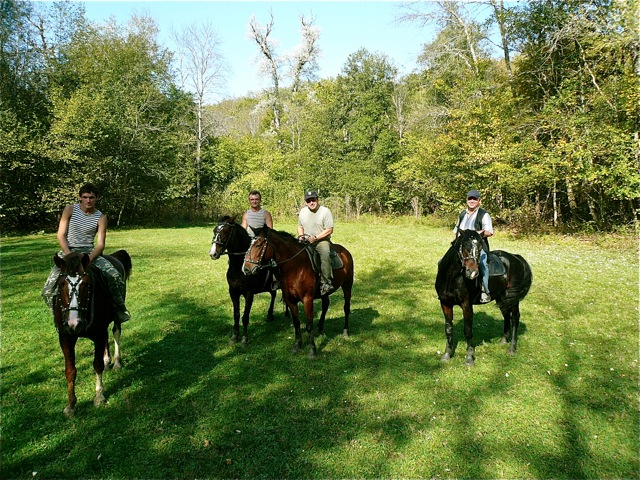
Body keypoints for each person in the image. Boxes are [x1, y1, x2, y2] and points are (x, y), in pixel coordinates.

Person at [42, 183, 130, 322]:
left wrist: (88, 259)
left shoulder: (101, 217)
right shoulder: (70, 210)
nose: (88, 201)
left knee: (115, 277)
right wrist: (68, 256)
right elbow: (61, 235)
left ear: (97, 198)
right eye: (85, 197)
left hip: (89, 253)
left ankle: (119, 310)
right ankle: (58, 316)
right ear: (80, 198)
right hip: (68, 252)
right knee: (47, 290)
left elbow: (100, 245)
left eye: (91, 197)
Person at [453, 189, 494, 303]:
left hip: (477, 247)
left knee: (483, 265)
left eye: (474, 199)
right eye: (469, 199)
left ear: (479, 201)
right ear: (467, 200)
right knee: (443, 261)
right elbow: (456, 231)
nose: (471, 201)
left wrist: (477, 234)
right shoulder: (462, 214)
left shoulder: (484, 214)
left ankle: (484, 291)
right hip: (462, 247)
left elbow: (489, 232)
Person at [298, 190, 334, 296]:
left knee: (325, 254)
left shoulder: (325, 211)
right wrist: (301, 236)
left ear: (317, 200)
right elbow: (300, 226)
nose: (311, 203)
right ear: (305, 202)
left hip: (321, 240)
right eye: (309, 201)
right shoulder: (303, 212)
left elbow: (329, 229)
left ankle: (326, 283)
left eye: (313, 200)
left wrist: (316, 237)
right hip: (306, 241)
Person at [241, 190, 278, 290]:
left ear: (260, 200)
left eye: (256, 199)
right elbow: (243, 230)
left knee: (273, 260)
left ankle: (275, 280)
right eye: (252, 199)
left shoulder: (266, 214)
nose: (254, 201)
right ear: (249, 201)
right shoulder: (246, 215)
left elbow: (270, 231)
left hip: (262, 242)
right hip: (249, 242)